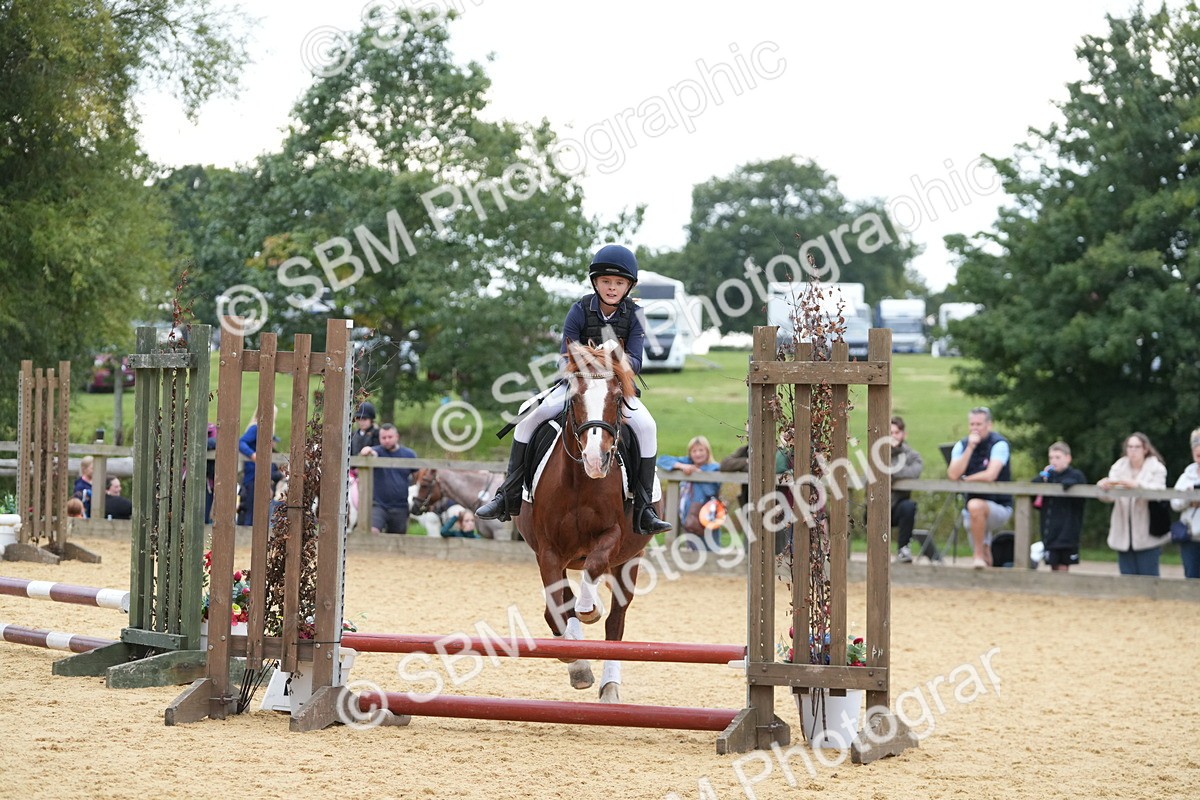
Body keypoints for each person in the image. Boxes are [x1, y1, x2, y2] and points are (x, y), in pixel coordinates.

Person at [477, 244, 671, 535]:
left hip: (614, 390)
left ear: (629, 286)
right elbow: (563, 356)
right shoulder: (579, 309)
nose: (612, 288)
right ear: (595, 282)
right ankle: (509, 493)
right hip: (577, 386)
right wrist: (590, 358)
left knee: (648, 427)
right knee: (527, 414)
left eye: (619, 283)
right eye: (606, 281)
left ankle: (644, 507)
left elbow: (636, 362)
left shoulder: (635, 315)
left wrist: (613, 356)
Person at [946, 406, 1013, 569]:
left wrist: (967, 479)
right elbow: (953, 474)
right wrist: (970, 448)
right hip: (972, 512)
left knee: (975, 506)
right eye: (972, 424)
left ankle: (976, 556)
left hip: (999, 506)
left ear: (989, 425)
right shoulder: (962, 445)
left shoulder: (999, 444)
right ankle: (985, 566)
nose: (975, 428)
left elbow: (991, 475)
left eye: (979, 424)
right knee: (985, 550)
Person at [1098, 432, 1168, 576]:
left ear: (1145, 449)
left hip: (1148, 531)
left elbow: (1160, 492)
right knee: (1127, 581)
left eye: (1137, 447)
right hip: (1123, 531)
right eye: (1130, 447)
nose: (1133, 450)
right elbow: (1108, 498)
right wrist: (1103, 487)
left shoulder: (1157, 468)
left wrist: (1137, 485)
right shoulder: (1119, 467)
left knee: (1149, 580)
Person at [658, 435, 723, 549]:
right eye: (694, 451)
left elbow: (711, 490)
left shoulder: (714, 468)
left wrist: (697, 474)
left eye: (701, 450)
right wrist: (681, 466)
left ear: (707, 452)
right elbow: (661, 460)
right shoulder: (688, 463)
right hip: (688, 519)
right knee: (692, 552)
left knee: (711, 551)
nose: (698, 454)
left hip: (707, 518)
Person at [1030, 442, 1087, 572]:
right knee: (1053, 566)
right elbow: (1032, 487)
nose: (1053, 461)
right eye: (1051, 458)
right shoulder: (1047, 477)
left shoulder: (1076, 475)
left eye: (1057, 457)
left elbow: (1073, 482)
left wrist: (1063, 484)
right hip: (1050, 533)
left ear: (1068, 458)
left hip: (1067, 533)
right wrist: (1043, 477)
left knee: (1063, 567)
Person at [361, 423, 417, 534]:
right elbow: (369, 453)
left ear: (397, 437)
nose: (387, 440)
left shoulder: (409, 455)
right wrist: (366, 451)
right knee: (372, 532)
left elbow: (419, 476)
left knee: (397, 541)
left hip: (400, 506)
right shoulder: (376, 452)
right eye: (383, 438)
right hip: (379, 505)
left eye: (390, 437)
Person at [889, 416, 928, 564]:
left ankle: (903, 550)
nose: (893, 436)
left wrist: (891, 471)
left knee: (909, 506)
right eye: (890, 432)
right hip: (877, 504)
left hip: (898, 506)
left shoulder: (913, 455)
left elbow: (914, 473)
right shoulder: (878, 453)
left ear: (904, 434)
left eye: (896, 432)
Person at [1169, 428, 1200, 579]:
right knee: (1191, 580)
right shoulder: (1186, 476)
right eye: (1195, 447)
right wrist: (1188, 499)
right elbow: (1174, 503)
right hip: (1191, 537)